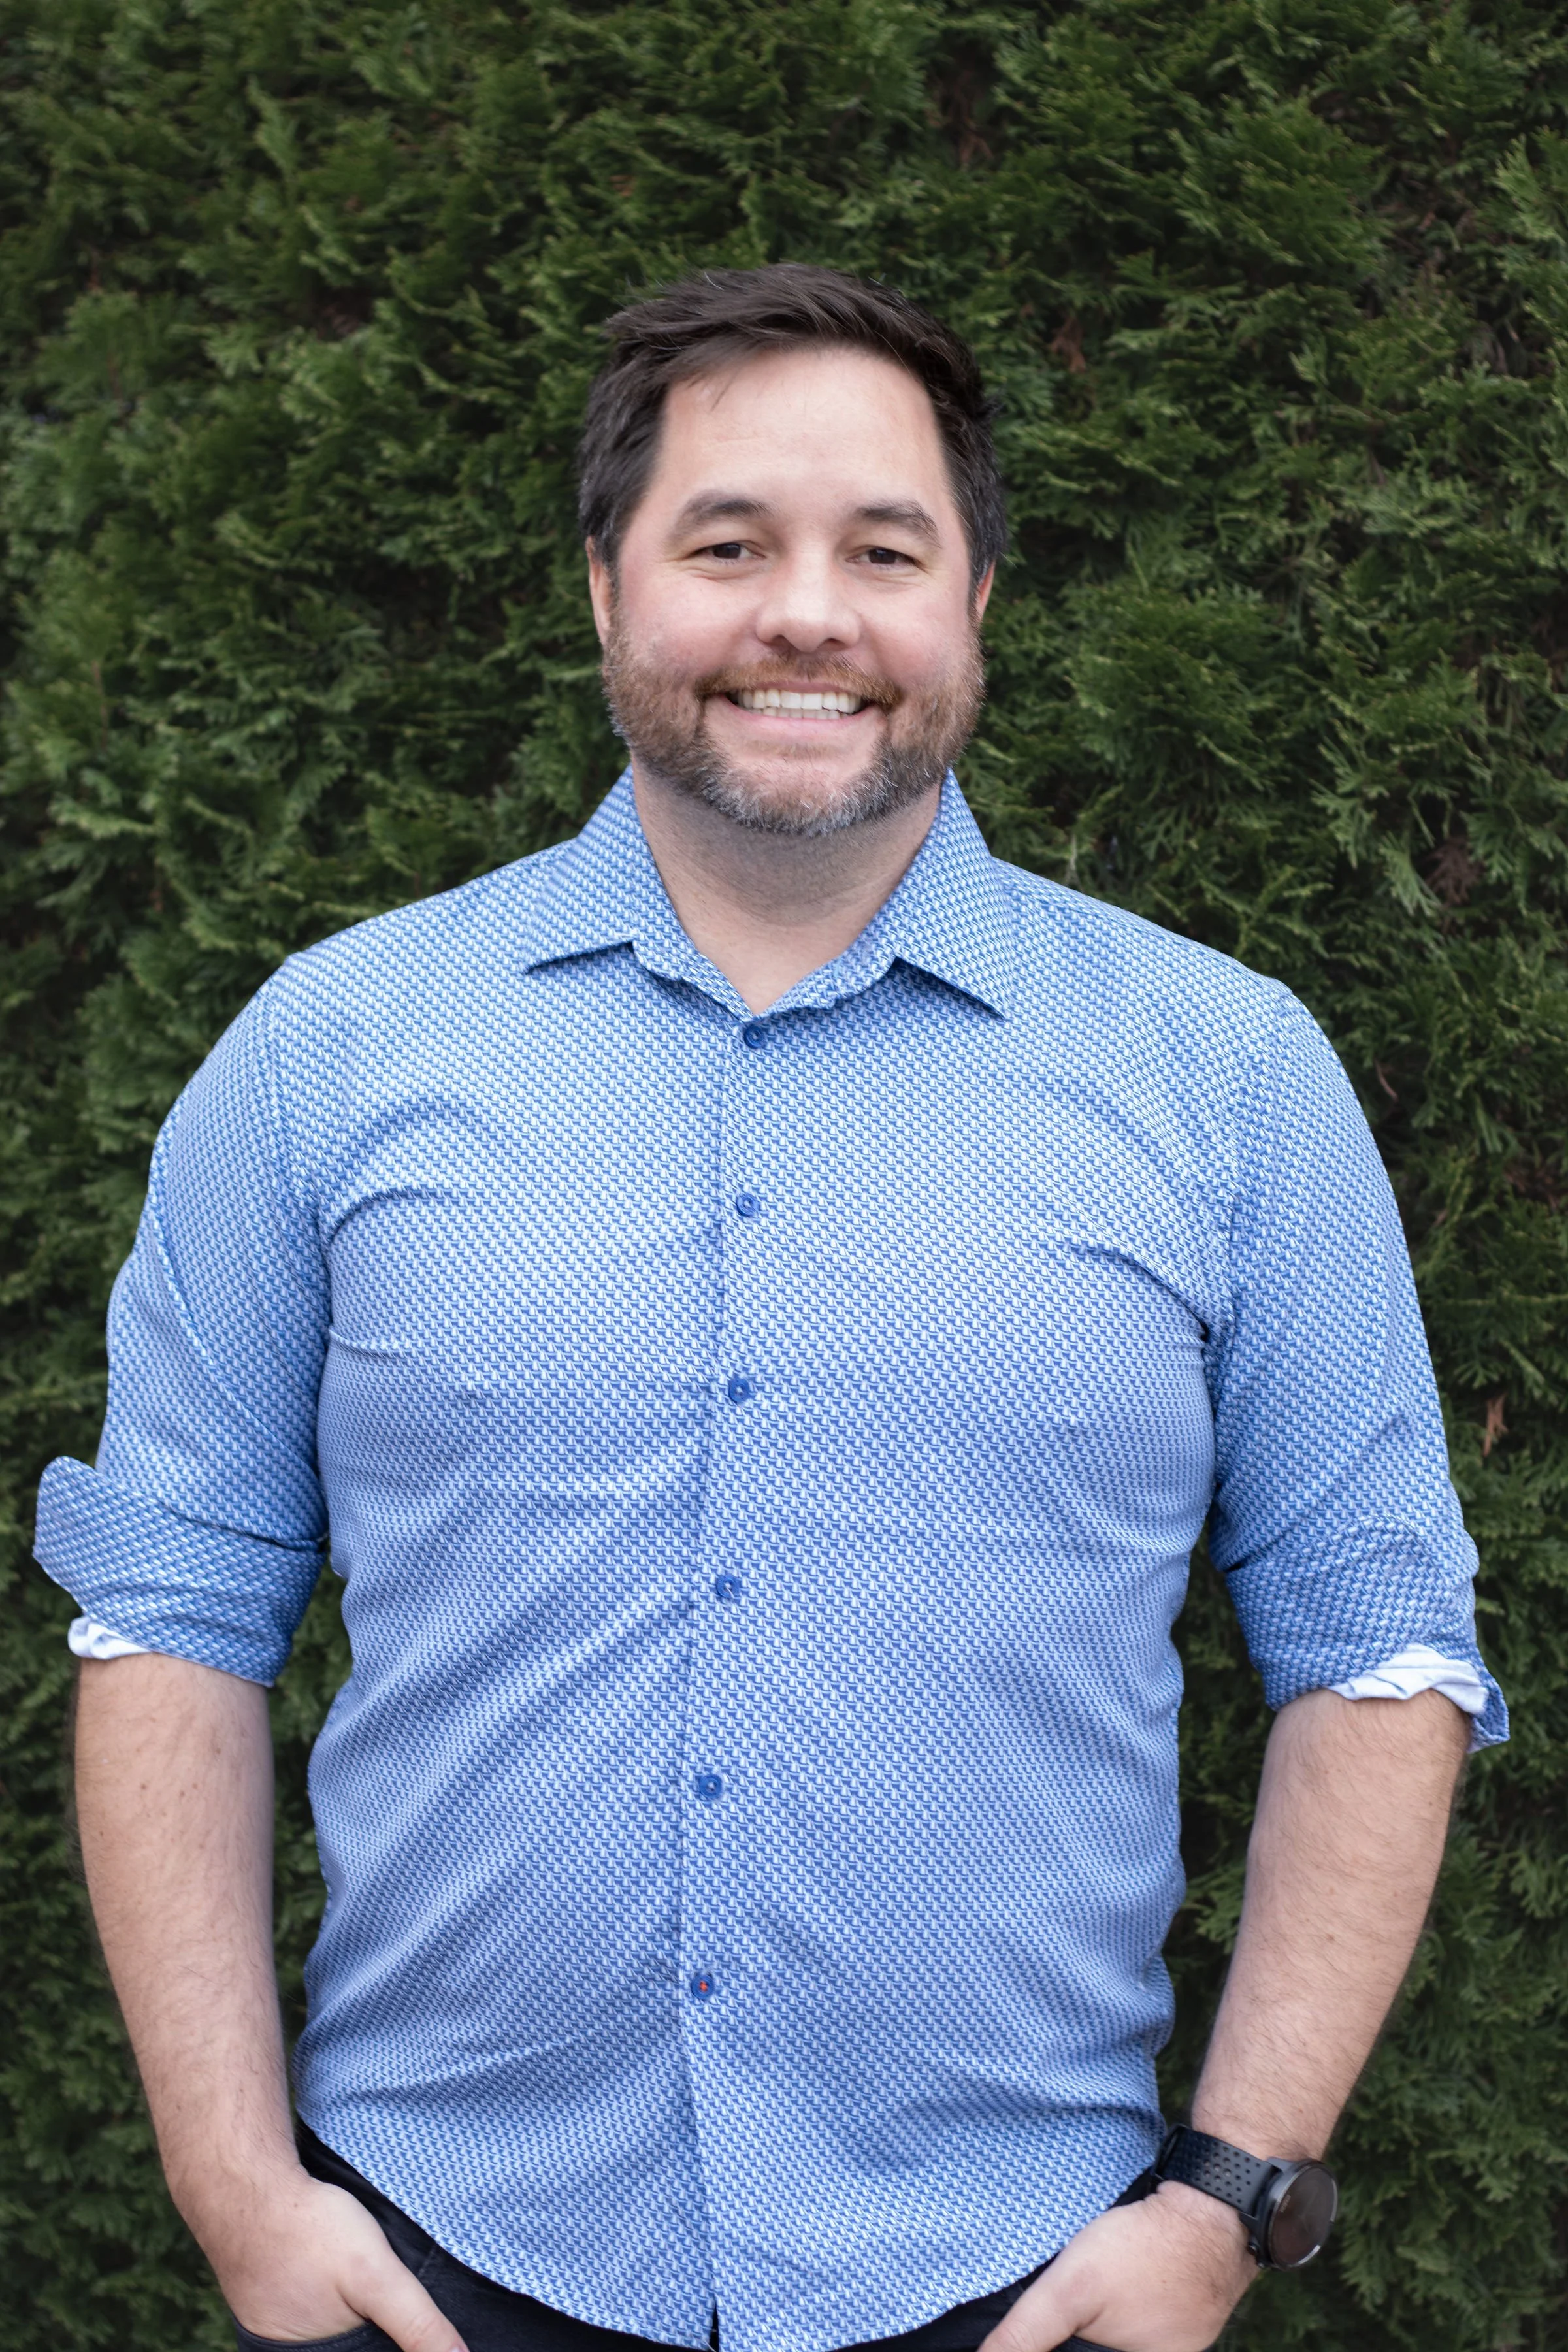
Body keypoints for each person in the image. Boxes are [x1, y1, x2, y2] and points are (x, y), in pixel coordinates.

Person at [40, 264, 1504, 2352]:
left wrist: (1224, 2201)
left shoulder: (1229, 1073)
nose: (805, 614)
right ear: (606, 592)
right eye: (727, 544)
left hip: (1019, 2271)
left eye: (882, 550)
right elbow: (171, 1612)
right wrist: (234, 2191)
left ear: (974, 599)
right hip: (432, 2257)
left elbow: (1380, 1644)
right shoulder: (333, 1050)